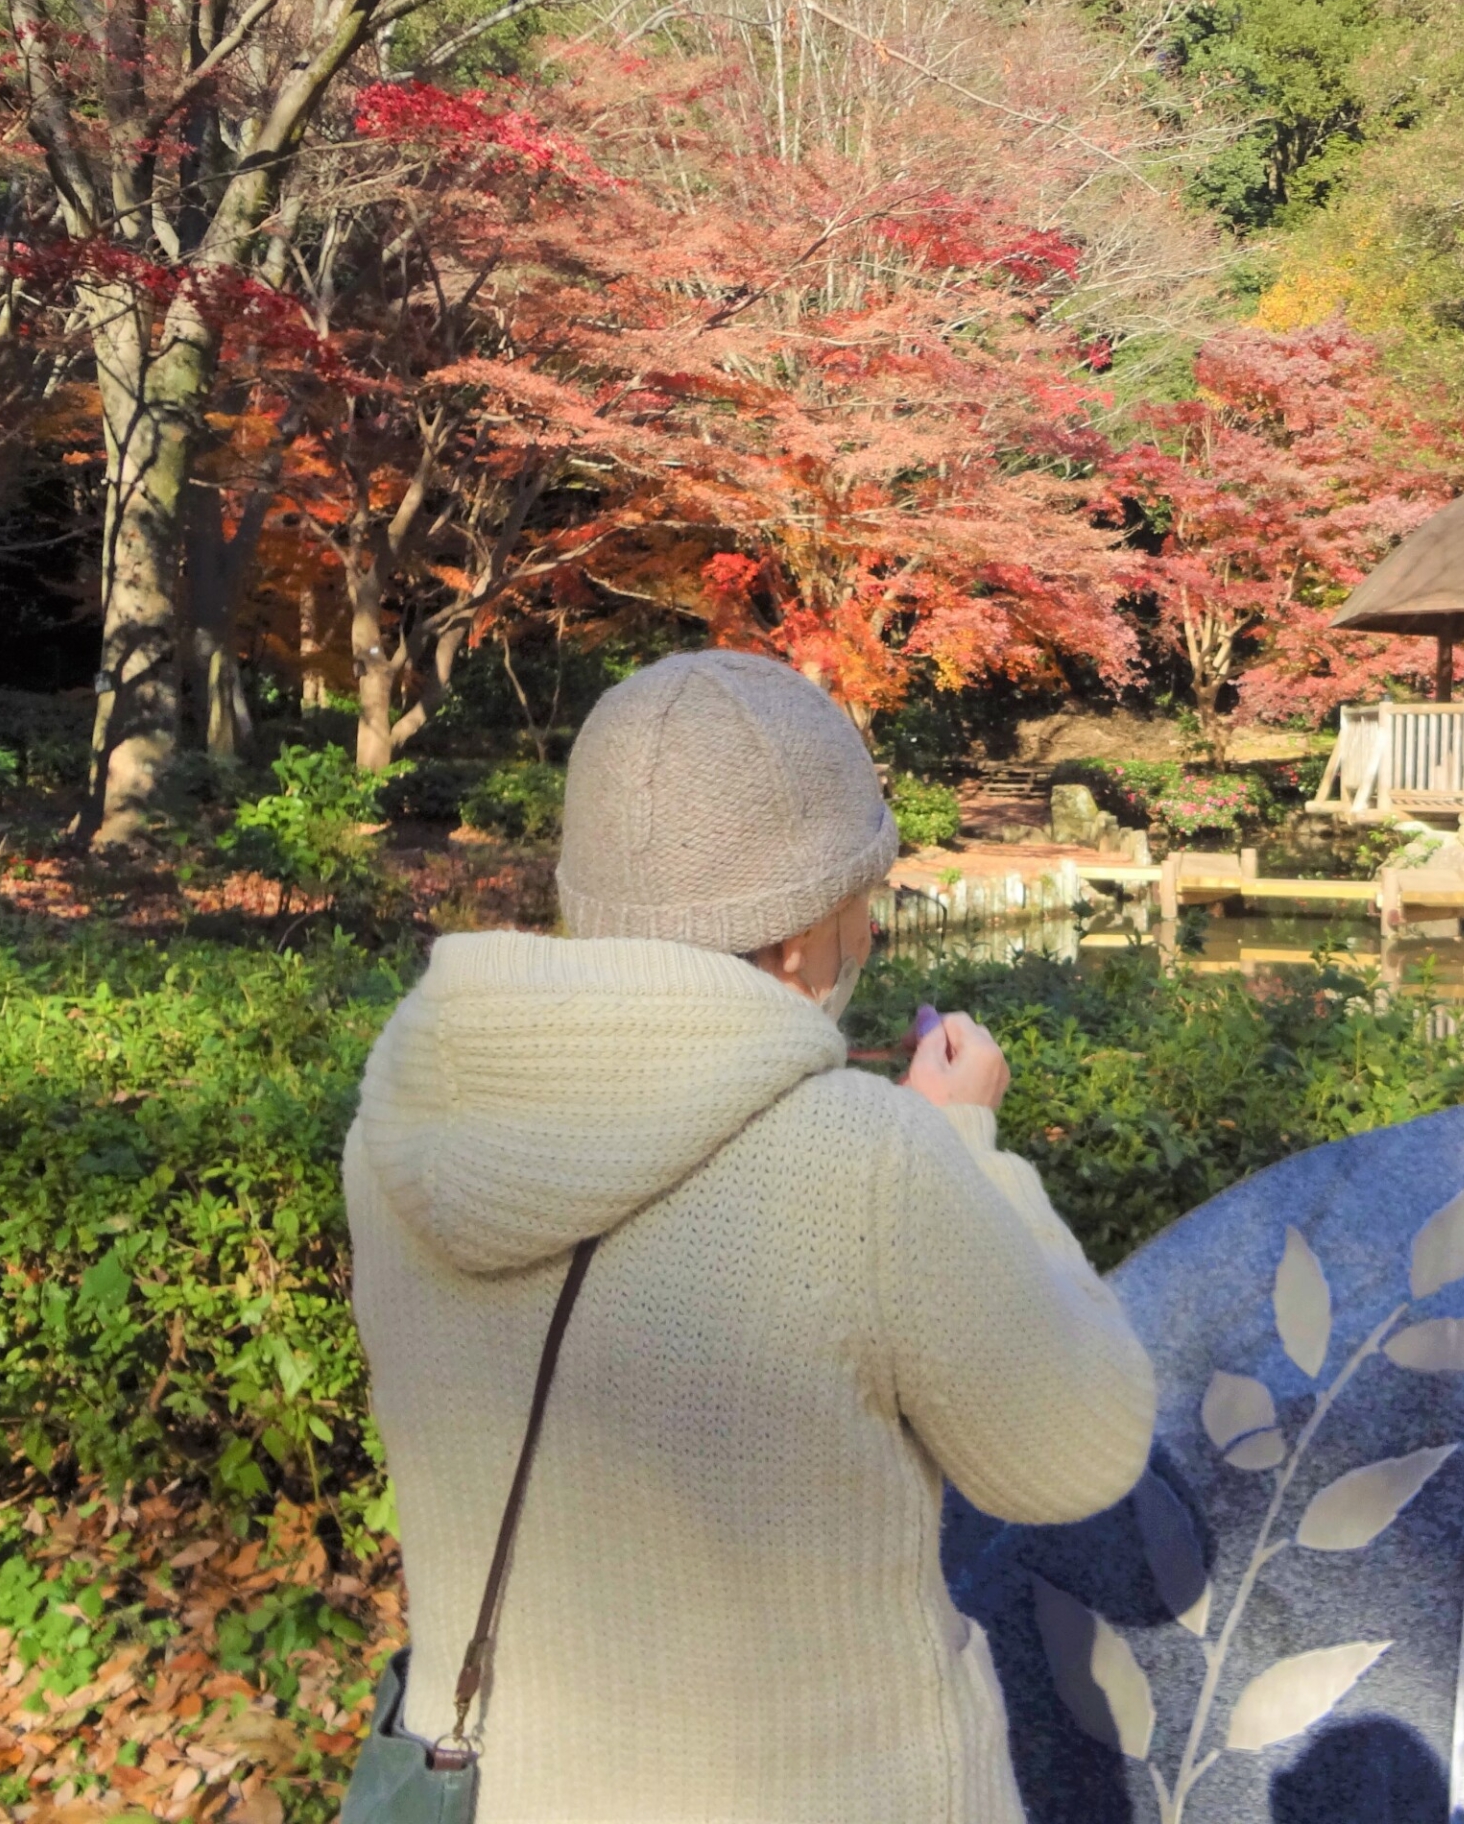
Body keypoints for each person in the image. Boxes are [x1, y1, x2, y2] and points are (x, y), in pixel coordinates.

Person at [344, 650, 1156, 1820]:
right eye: (861, 897)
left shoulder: (397, 1132)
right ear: (792, 941)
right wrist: (969, 1150)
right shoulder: (871, 1161)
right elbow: (1074, 1451)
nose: (869, 931)